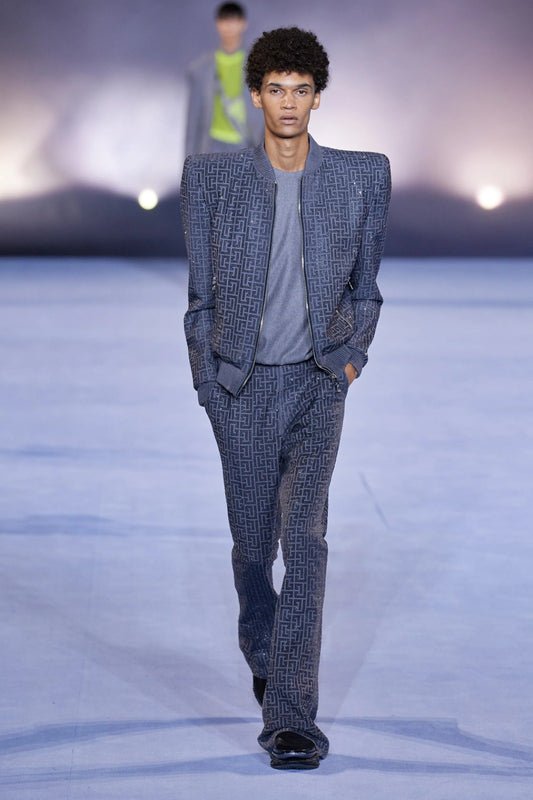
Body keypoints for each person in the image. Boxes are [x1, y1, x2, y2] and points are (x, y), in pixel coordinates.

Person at [180, 26, 391, 770]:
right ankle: (262, 642)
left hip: (316, 384)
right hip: (239, 386)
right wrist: (208, 383)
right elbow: (200, 298)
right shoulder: (210, 179)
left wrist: (350, 360)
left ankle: (291, 719)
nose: (289, 102)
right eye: (276, 89)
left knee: (304, 541)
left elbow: (365, 288)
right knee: (253, 543)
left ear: (318, 97)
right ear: (256, 95)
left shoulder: (362, 176)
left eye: (302, 89)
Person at [184, 2, 263, 155]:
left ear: (243, 24)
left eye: (233, 21)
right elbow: (193, 121)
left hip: (247, 142)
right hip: (211, 144)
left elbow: (267, 112)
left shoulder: (258, 66)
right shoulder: (201, 68)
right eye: (225, 21)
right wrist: (189, 161)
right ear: (217, 24)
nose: (229, 27)